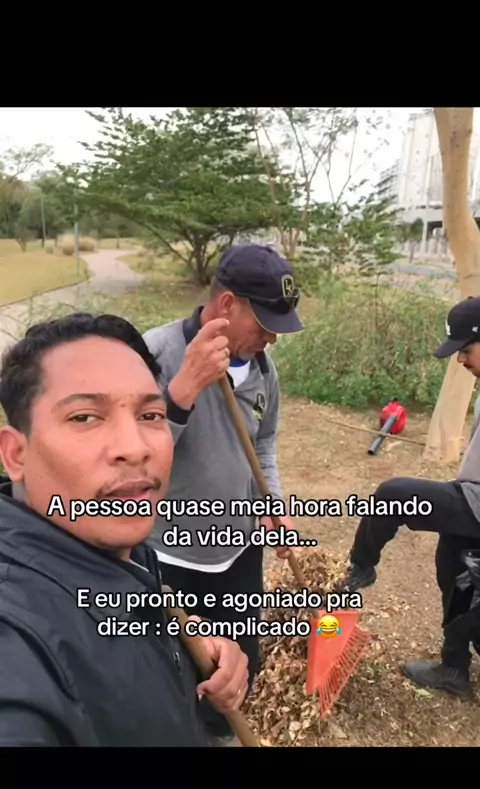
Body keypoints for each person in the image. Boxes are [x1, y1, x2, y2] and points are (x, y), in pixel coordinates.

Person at [0, 312, 249, 747]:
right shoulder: (16, 640)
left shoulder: (124, 554)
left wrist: (184, 652)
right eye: (84, 417)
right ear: (16, 454)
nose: (135, 448)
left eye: (150, 415)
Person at [142, 243, 304, 744]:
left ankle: (221, 735)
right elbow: (134, 461)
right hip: (171, 557)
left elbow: (264, 443)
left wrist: (271, 501)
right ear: (228, 304)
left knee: (238, 663)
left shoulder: (263, 371)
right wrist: (182, 392)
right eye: (265, 323)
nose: (272, 338)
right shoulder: (154, 355)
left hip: (239, 549)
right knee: (178, 673)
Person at [338, 295, 480, 699]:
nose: (460, 360)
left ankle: (360, 568)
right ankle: (453, 668)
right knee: (452, 565)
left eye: (466, 350)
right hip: (471, 496)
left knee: (392, 495)